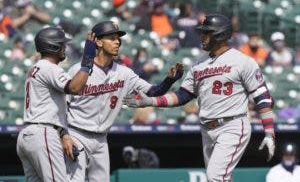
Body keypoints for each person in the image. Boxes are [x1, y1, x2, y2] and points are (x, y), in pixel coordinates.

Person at [124, 14, 276, 182]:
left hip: (232, 125)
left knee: (215, 177)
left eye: (207, 33)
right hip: (207, 129)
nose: (201, 36)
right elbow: (182, 96)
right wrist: (150, 101)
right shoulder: (199, 64)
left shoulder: (242, 61)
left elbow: (263, 97)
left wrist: (269, 132)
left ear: (220, 35)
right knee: (223, 178)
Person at [65, 21, 184, 182]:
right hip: (76, 133)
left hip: (101, 139)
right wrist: (64, 135)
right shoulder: (78, 71)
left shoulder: (124, 73)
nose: (117, 42)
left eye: (118, 39)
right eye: (112, 38)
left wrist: (169, 81)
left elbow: (153, 92)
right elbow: (62, 106)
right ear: (98, 42)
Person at [16, 27, 97, 181]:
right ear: (52, 46)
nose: (64, 48)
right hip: (43, 133)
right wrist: (87, 61)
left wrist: (64, 135)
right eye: (62, 45)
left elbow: (52, 105)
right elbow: (74, 87)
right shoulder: (49, 67)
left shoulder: (36, 68)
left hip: (28, 134)